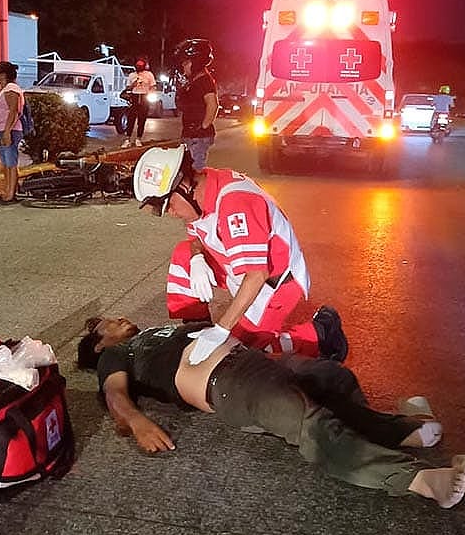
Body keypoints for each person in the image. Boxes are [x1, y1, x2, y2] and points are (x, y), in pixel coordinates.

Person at [77, 317, 465, 510]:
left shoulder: (157, 331)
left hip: (251, 360)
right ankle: (414, 478)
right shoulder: (118, 354)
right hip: (226, 384)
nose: (118, 319)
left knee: (329, 377)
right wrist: (136, 421)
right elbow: (115, 395)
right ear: (98, 345)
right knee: (307, 421)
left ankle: (395, 431)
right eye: (106, 325)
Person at [133, 144, 346, 362]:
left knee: (235, 353)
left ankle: (319, 335)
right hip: (240, 270)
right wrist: (197, 258)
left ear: (184, 185)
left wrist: (222, 330)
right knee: (183, 255)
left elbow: (257, 275)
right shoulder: (202, 192)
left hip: (274, 286)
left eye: (168, 205)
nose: (170, 213)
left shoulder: (236, 203)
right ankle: (197, 328)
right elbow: (195, 236)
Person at [173, 39, 218, 171]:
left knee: (195, 171)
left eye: (186, 63)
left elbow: (213, 104)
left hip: (197, 137)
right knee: (186, 169)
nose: (183, 67)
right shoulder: (194, 81)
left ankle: (198, 191)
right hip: (191, 134)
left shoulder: (204, 81)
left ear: (197, 62)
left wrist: (202, 127)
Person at [0, 61, 25, 203]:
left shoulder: (11, 89)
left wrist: (7, 131)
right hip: (0, 129)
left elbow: (13, 111)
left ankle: (10, 193)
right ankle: (9, 189)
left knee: (10, 162)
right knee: (5, 161)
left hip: (8, 129)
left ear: (3, 74)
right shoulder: (2, 90)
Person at [121, 57, 156, 149]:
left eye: (141, 65)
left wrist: (151, 92)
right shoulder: (132, 75)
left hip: (144, 97)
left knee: (142, 120)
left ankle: (138, 138)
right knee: (131, 119)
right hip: (134, 97)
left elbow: (153, 86)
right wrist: (133, 85)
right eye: (137, 65)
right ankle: (127, 139)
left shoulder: (149, 75)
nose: (139, 66)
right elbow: (128, 87)